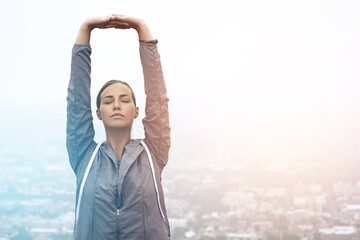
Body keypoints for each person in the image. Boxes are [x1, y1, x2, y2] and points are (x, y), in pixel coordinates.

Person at [66, 14, 171, 240]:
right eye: (107, 101)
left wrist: (142, 29)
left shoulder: (153, 153)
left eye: (124, 100)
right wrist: (86, 29)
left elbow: (157, 99)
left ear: (136, 111)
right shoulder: (84, 155)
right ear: (98, 114)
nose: (116, 105)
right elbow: (77, 102)